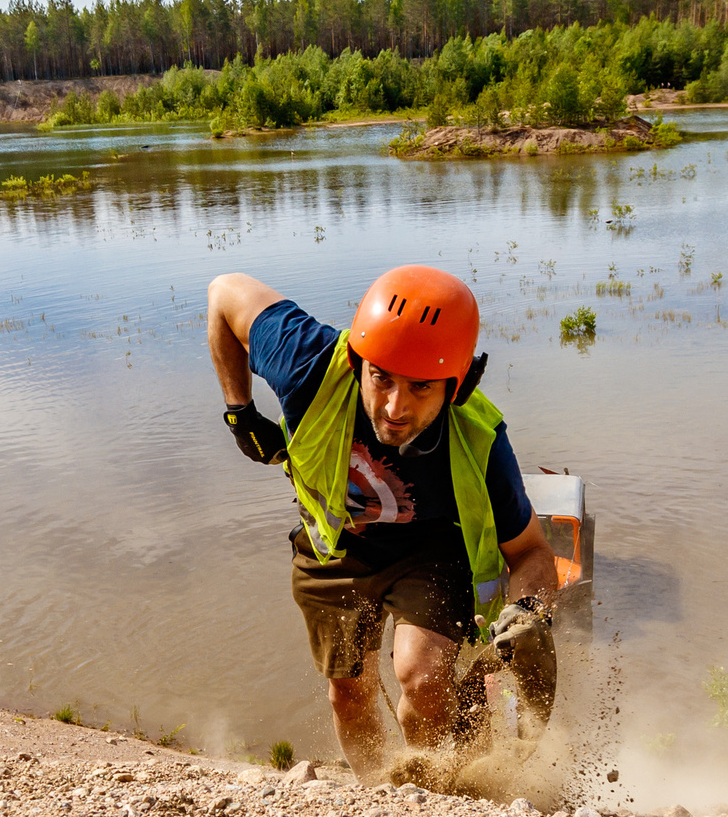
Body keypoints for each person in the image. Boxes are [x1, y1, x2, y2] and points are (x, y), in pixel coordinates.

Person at [206, 264, 562, 777]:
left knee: (423, 678)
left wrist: (529, 613)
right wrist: (239, 412)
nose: (394, 407)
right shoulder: (308, 364)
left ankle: (448, 796)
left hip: (431, 551)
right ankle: (379, 797)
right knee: (347, 693)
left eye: (420, 388)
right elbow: (224, 292)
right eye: (381, 378)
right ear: (357, 360)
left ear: (457, 386)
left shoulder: (481, 441)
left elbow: (530, 551)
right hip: (333, 547)